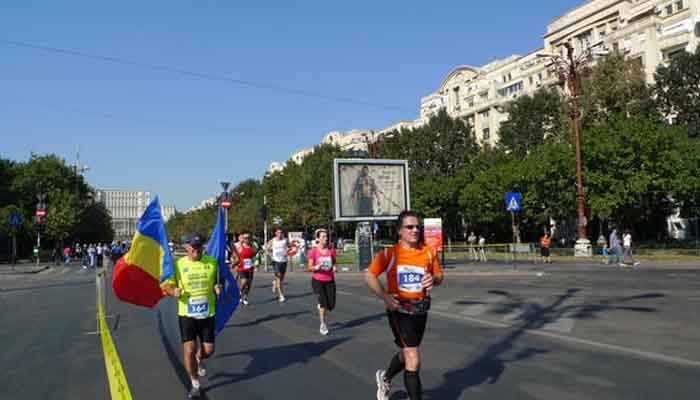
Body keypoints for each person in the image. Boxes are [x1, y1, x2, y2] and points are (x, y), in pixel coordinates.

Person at [366, 211, 444, 400]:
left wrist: (432, 279)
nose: (415, 230)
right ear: (400, 231)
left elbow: (440, 277)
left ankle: (385, 377)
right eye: (410, 227)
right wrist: (385, 297)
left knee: (408, 351)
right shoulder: (389, 253)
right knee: (413, 357)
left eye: (418, 226)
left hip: (421, 309)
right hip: (399, 309)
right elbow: (369, 275)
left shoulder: (428, 251)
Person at [162, 233, 223, 399]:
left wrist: (219, 287)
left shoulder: (212, 263)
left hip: (207, 314)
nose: (196, 250)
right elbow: (166, 285)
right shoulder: (179, 265)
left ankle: (199, 357)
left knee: (208, 351)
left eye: (199, 246)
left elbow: (220, 280)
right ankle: (195, 383)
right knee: (189, 350)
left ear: (203, 247)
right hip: (187, 315)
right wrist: (172, 291)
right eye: (193, 247)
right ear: (187, 247)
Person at [308, 228, 337, 336]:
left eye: (326, 236)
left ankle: (321, 305)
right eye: (323, 237)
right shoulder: (313, 252)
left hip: (330, 280)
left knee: (331, 305)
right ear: (318, 239)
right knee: (323, 303)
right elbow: (309, 267)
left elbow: (334, 263)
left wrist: (334, 267)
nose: (326, 238)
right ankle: (323, 324)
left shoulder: (331, 251)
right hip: (318, 281)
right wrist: (317, 266)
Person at [266, 228, 290, 303]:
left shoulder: (285, 240)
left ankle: (275, 282)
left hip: (284, 261)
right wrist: (270, 256)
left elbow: (289, 247)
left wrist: (287, 251)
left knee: (281, 278)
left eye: (281, 232)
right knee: (279, 276)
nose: (280, 234)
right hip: (276, 261)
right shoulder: (272, 240)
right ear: (276, 233)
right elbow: (266, 248)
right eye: (278, 233)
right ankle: (281, 295)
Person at [232, 232, 256, 305]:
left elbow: (254, 255)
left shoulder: (252, 246)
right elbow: (235, 256)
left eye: (248, 238)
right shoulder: (239, 247)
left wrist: (256, 263)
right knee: (244, 282)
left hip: (250, 268)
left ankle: (245, 297)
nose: (247, 239)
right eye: (245, 238)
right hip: (242, 267)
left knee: (249, 284)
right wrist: (234, 263)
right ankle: (240, 292)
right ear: (243, 239)